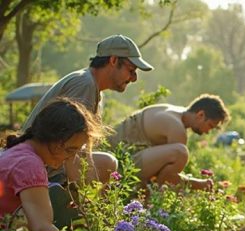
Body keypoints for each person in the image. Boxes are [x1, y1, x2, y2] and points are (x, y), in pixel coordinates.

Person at [23, 34, 153, 186]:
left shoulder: (93, 88)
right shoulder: (85, 84)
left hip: (48, 164)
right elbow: (68, 147)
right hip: (40, 167)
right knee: (108, 164)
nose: (134, 78)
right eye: (131, 70)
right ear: (113, 60)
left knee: (104, 162)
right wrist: (84, 202)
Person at [0, 99, 102, 231]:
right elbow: (42, 228)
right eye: (71, 150)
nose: (71, 158)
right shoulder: (30, 165)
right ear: (55, 141)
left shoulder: (19, 152)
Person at [109, 94, 230, 190]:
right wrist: (201, 185)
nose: (208, 131)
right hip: (118, 167)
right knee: (180, 153)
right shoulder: (177, 129)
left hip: (115, 157)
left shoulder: (172, 110)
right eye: (210, 125)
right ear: (200, 114)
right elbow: (166, 179)